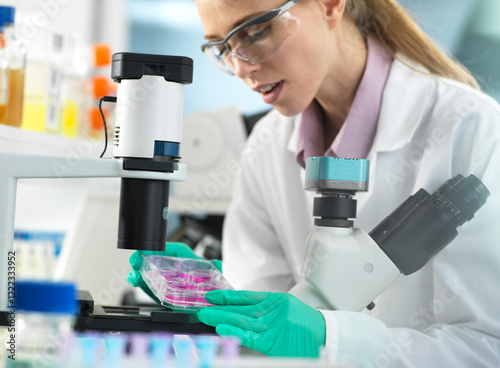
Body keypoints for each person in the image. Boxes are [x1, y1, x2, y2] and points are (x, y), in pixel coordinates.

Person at [128, 0, 500, 365]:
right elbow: (267, 323)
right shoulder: (266, 144)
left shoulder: (473, 129)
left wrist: (333, 339)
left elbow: (487, 347)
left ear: (330, 5)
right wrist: (212, 295)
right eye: (222, 48)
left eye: (256, 32)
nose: (240, 67)